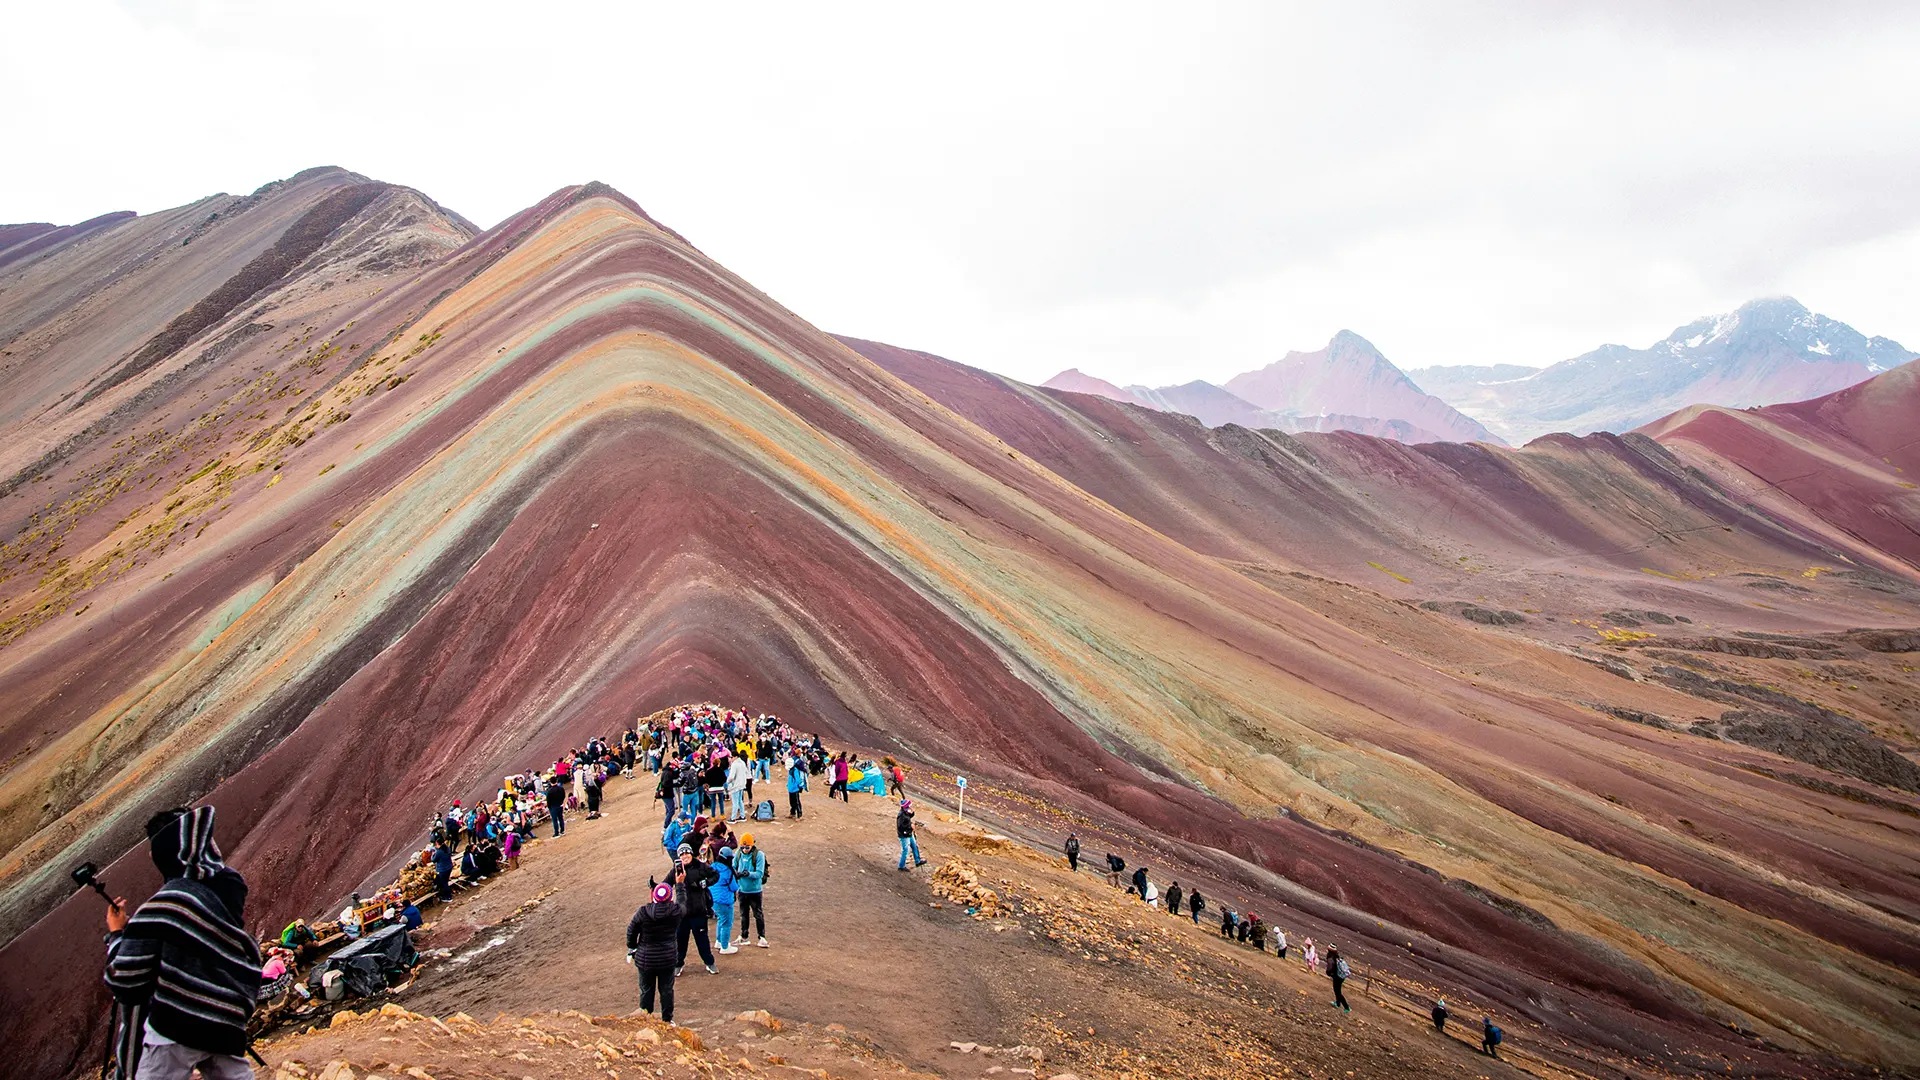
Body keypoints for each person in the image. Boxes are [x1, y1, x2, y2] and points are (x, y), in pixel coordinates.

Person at [103, 806, 260, 1080]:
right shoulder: (229, 887)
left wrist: (117, 934)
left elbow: (125, 981)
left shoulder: (162, 908)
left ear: (163, 852)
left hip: (179, 1023)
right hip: (227, 1013)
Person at [628, 882, 684, 1024]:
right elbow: (683, 902)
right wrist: (680, 884)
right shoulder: (675, 912)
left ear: (653, 896)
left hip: (645, 959)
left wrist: (633, 947)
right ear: (670, 898)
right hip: (667, 958)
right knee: (666, 991)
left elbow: (631, 930)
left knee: (646, 991)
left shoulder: (643, 912)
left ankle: (646, 1019)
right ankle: (667, 1020)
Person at [665, 844, 718, 974]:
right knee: (680, 940)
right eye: (682, 854)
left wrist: (705, 883)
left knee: (702, 940)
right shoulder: (676, 869)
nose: (685, 856)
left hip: (698, 911)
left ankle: (709, 962)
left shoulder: (700, 866)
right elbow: (666, 884)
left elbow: (715, 875)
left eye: (687, 853)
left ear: (691, 853)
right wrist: (655, 886)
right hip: (682, 913)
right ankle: (678, 964)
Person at [731, 834, 769, 949]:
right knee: (743, 915)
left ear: (752, 846)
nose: (744, 850)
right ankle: (744, 936)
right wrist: (736, 873)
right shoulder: (738, 853)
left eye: (747, 848)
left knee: (758, 914)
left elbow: (759, 873)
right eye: (742, 847)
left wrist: (748, 874)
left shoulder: (759, 855)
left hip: (755, 890)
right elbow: (733, 866)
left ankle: (762, 937)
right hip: (742, 890)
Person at [711, 846, 739, 954]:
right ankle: (725, 946)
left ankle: (719, 941)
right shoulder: (728, 871)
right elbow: (734, 888)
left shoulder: (713, 867)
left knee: (720, 920)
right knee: (727, 923)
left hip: (713, 900)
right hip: (724, 901)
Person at [895, 799, 926, 870]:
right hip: (904, 835)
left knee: (914, 846)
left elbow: (909, 817)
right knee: (905, 850)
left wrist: (912, 813)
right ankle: (901, 866)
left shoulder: (905, 812)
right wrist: (910, 827)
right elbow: (901, 827)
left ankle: (918, 861)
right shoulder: (901, 815)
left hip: (909, 833)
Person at [1326, 945, 1351, 1011]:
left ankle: (1346, 1007)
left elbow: (1330, 967)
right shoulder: (1336, 956)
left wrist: (1328, 973)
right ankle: (1338, 1004)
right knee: (1337, 990)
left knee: (1337, 991)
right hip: (1341, 976)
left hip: (1337, 976)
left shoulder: (1330, 958)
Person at [726, 753, 750, 821]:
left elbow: (731, 777)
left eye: (732, 757)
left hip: (735, 785)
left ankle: (733, 818)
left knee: (735, 802)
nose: (731, 758)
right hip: (742, 784)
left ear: (736, 757)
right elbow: (746, 772)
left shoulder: (734, 764)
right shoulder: (742, 762)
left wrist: (728, 782)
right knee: (740, 801)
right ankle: (742, 816)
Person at [785, 753, 808, 819]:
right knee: (792, 802)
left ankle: (799, 815)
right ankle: (792, 813)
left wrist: (798, 786)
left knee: (797, 803)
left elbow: (798, 780)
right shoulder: (791, 770)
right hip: (790, 789)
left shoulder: (794, 771)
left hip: (794, 789)